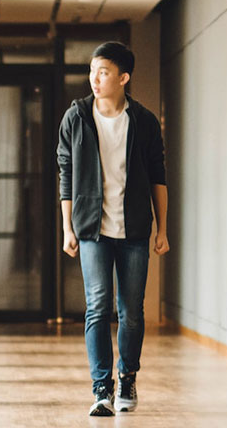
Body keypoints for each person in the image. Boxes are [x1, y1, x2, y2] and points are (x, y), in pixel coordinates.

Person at [56, 41, 171, 417]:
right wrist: (67, 228)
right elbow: (66, 175)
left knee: (131, 311)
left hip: (135, 229)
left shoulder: (143, 121)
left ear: (123, 77)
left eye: (103, 72)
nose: (95, 78)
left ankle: (127, 377)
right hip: (92, 229)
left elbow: (159, 177)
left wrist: (162, 230)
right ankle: (101, 388)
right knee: (97, 307)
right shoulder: (76, 118)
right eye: (92, 71)